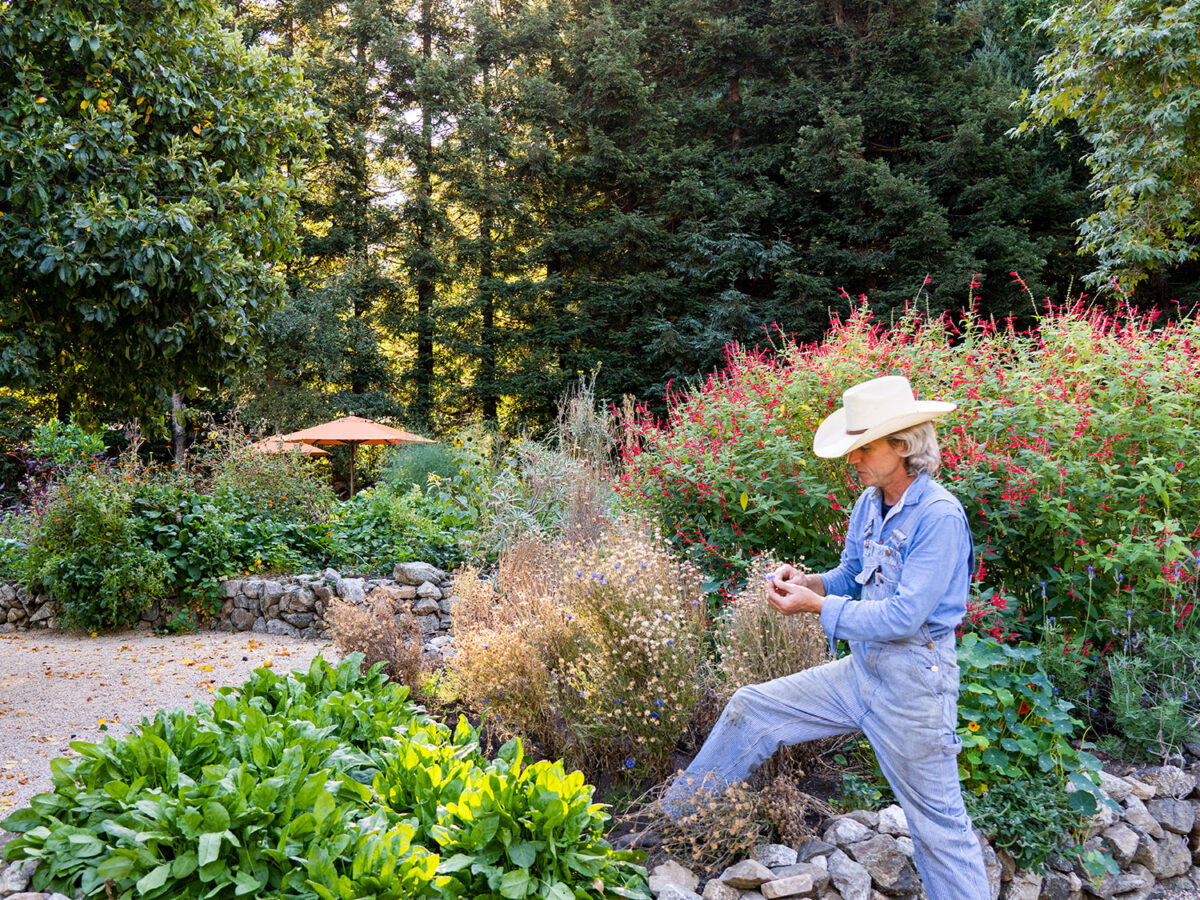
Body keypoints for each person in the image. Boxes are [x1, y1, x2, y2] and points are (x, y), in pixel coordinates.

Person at [646, 374, 991, 900]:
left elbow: (902, 617)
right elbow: (851, 574)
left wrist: (819, 606)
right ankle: (666, 827)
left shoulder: (939, 517)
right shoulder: (870, 504)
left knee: (938, 830)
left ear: (902, 447)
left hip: (914, 685)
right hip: (862, 670)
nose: (853, 459)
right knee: (751, 708)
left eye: (864, 447)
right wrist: (809, 583)